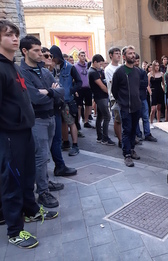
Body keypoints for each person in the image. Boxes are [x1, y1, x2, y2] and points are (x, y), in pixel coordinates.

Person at [0, 19, 58, 249]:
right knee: (12, 181)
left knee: (26, 177)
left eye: (15, 34)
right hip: (9, 135)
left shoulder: (12, 65)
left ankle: (32, 210)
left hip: (24, 131)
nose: (14, 38)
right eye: (7, 35)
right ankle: (15, 231)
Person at [19, 36, 65, 208]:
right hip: (37, 119)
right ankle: (43, 192)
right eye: (36, 51)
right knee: (41, 156)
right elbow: (34, 97)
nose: (41, 54)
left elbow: (61, 90)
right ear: (25, 51)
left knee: (45, 155)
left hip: (51, 116)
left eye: (41, 50)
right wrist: (50, 92)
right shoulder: (22, 72)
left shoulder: (44, 71)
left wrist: (49, 92)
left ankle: (44, 182)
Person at [41, 47, 77, 177]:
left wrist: (55, 91)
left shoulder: (52, 72)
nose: (49, 58)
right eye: (45, 56)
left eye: (50, 56)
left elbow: (60, 90)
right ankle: (44, 177)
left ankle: (59, 166)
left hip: (57, 107)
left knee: (56, 140)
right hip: (45, 112)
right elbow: (39, 94)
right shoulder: (39, 73)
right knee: (45, 144)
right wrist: (53, 91)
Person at [112, 45, 142, 167]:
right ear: (124, 56)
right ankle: (127, 155)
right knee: (127, 130)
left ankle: (132, 149)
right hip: (124, 107)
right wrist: (121, 101)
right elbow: (114, 90)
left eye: (133, 53)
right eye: (130, 53)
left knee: (134, 130)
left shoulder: (137, 71)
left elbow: (138, 88)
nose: (132, 55)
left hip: (136, 106)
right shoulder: (119, 72)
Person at [50, 45, 82, 156]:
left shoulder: (69, 67)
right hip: (56, 100)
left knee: (70, 122)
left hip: (67, 99)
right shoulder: (50, 68)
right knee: (62, 122)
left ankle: (75, 145)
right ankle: (65, 142)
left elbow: (79, 82)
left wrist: (71, 90)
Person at [89, 54, 115, 145]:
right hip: (100, 97)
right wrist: (111, 93)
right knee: (107, 116)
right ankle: (105, 138)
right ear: (95, 62)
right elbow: (102, 86)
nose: (101, 66)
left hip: (101, 97)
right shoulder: (93, 72)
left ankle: (100, 137)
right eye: (100, 64)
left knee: (100, 117)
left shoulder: (97, 71)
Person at [134, 53, 157, 142]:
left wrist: (137, 82)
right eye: (135, 61)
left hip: (143, 97)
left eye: (138, 61)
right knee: (136, 117)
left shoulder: (142, 72)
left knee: (145, 116)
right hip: (135, 98)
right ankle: (138, 134)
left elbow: (144, 84)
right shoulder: (130, 72)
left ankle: (147, 134)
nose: (136, 62)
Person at [104, 47, 122, 147]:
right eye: (116, 53)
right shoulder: (108, 69)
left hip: (125, 97)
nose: (118, 55)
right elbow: (114, 83)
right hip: (115, 98)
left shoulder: (121, 67)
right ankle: (120, 139)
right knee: (118, 119)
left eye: (119, 53)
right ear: (111, 55)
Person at [75, 51, 93, 129]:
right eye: (81, 55)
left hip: (88, 87)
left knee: (88, 105)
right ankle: (78, 122)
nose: (83, 57)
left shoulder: (88, 65)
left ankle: (86, 121)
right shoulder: (75, 66)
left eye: (84, 55)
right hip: (80, 88)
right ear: (78, 57)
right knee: (79, 106)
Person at [148, 60, 165, 127]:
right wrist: (150, 92)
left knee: (159, 107)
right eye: (155, 65)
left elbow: (163, 84)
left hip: (160, 91)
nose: (157, 67)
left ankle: (158, 121)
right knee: (153, 108)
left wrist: (163, 90)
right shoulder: (150, 74)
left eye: (158, 65)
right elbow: (147, 85)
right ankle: (151, 122)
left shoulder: (161, 74)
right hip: (153, 91)